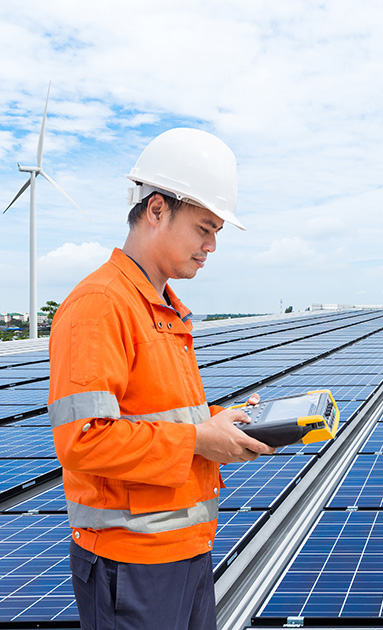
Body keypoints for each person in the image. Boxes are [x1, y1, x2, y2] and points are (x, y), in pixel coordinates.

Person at [47, 128, 275, 630]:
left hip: (183, 552)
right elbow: (84, 440)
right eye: (204, 228)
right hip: (131, 563)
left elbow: (155, 417)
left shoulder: (163, 310)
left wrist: (218, 424)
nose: (212, 245)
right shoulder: (101, 306)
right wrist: (199, 438)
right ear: (156, 209)